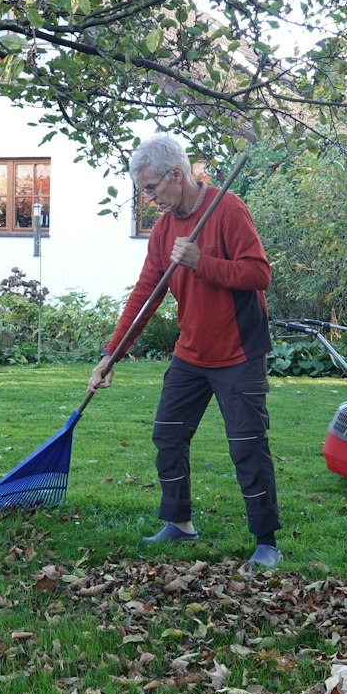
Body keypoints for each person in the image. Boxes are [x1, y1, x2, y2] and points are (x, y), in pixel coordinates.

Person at [88, 133, 281, 571]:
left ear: (176, 174)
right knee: (168, 434)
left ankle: (266, 542)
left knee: (247, 445)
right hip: (191, 352)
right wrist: (111, 354)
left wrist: (200, 262)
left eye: (151, 188)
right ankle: (179, 522)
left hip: (238, 351)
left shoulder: (228, 209)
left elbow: (259, 274)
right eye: (144, 190)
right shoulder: (163, 230)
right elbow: (145, 294)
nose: (149, 198)